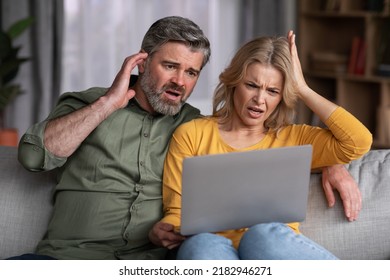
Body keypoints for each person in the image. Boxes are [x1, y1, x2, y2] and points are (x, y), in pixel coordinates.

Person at [13, 16, 361, 260]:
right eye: (170, 66)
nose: (180, 81)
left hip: (146, 264)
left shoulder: (190, 123)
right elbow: (32, 157)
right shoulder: (91, 105)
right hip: (70, 260)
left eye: (191, 72)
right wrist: (107, 104)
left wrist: (334, 161)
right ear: (141, 63)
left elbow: (345, 141)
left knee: (240, 241)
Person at [149, 31, 372, 260]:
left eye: (273, 91)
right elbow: (176, 211)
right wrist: (166, 230)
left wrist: (303, 89)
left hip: (271, 251)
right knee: (202, 244)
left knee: (262, 235)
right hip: (213, 251)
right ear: (234, 83)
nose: (260, 99)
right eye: (252, 85)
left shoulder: (294, 138)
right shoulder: (192, 134)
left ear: (283, 95)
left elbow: (358, 142)